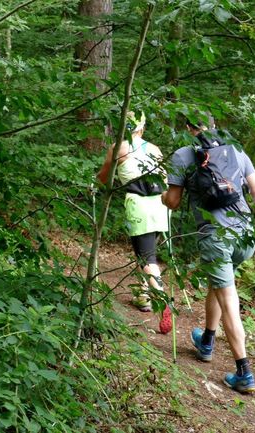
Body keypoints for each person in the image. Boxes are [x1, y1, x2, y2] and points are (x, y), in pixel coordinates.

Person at [161, 113, 255, 393]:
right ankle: (207, 339)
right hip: (244, 234)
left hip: (215, 235)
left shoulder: (184, 154)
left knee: (229, 299)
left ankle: (244, 372)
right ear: (214, 125)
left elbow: (172, 201)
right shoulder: (236, 148)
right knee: (219, 284)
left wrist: (163, 193)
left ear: (188, 128)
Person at [98, 111, 172, 334]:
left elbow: (103, 177)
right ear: (143, 127)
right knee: (147, 252)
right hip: (160, 205)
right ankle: (143, 297)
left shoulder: (119, 147)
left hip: (138, 204)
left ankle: (163, 301)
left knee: (146, 257)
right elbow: (165, 179)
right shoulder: (154, 149)